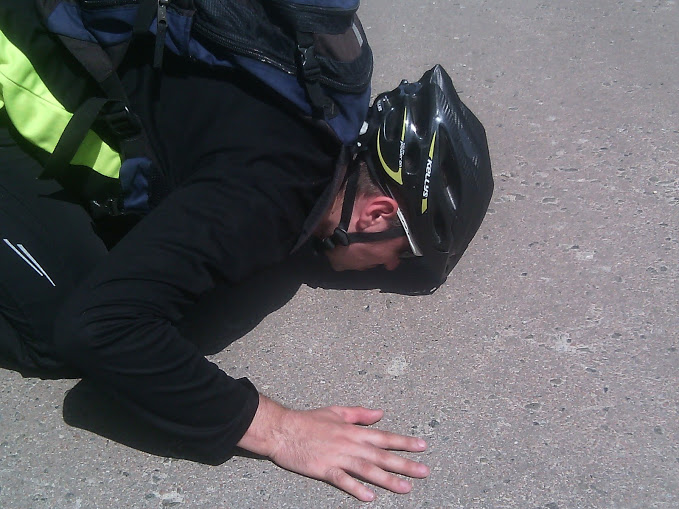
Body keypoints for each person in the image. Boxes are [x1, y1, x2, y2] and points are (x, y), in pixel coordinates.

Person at [0, 4, 493, 503]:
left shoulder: (326, 102)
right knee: (53, 321)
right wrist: (280, 430)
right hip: (13, 64)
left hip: (59, 33)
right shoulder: (268, 197)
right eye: (403, 254)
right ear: (377, 214)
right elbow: (102, 328)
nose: (389, 267)